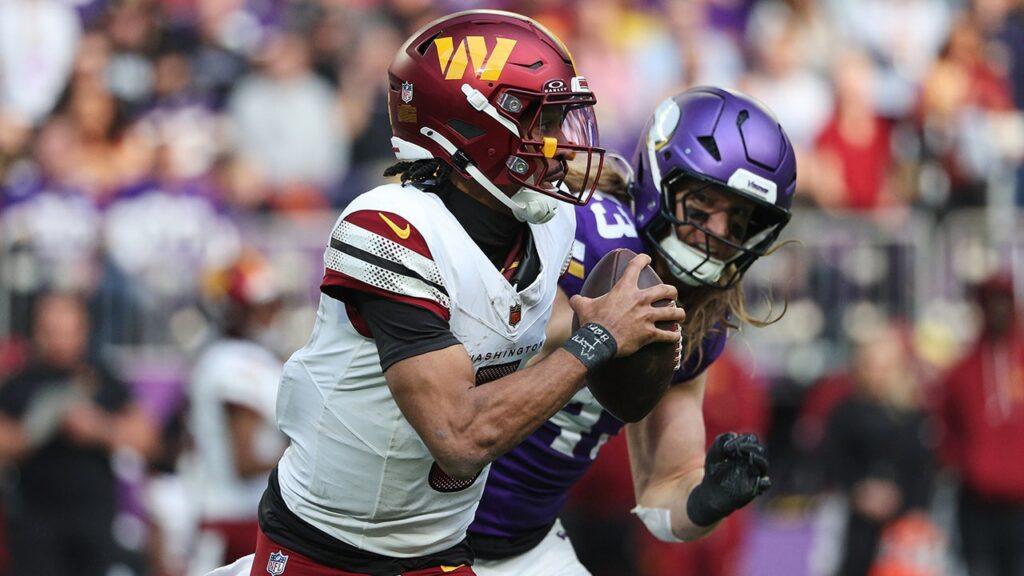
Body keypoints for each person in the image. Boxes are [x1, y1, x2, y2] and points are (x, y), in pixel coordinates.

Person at [210, 10, 684, 576]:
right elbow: (459, 437)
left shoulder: (551, 223)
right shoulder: (389, 229)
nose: (561, 146)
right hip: (328, 548)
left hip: (440, 547)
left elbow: (529, 321)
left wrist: (627, 326)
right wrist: (599, 339)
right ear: (470, 127)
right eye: (542, 123)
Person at [468, 86, 796, 575]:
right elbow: (475, 342)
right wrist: (595, 327)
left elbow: (666, 491)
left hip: (521, 543)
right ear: (662, 181)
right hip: (420, 516)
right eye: (702, 205)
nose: (716, 232)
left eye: (738, 221)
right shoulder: (577, 228)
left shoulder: (699, 319)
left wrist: (708, 498)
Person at [0, 291, 159, 576]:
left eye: (67, 331)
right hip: (37, 526)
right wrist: (39, 427)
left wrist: (98, 428)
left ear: (84, 330)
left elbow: (146, 438)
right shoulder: (20, 384)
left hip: (94, 525)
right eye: (51, 331)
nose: (59, 341)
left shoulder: (101, 379)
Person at [183, 254, 288, 575]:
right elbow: (244, 460)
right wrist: (308, 457)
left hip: (241, 515)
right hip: (235, 518)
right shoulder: (234, 362)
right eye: (264, 308)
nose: (273, 317)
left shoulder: (230, 357)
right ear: (240, 312)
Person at [822, 323, 934, 576]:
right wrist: (858, 490)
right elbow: (831, 461)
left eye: (884, 367)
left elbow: (924, 470)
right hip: (855, 526)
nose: (877, 375)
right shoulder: (844, 413)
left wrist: (901, 498)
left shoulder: (914, 417)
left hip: (902, 533)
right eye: (871, 365)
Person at [938, 273, 1024, 576]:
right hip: (978, 502)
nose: (998, 310)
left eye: (1004, 302)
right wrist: (965, 464)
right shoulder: (962, 370)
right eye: (991, 302)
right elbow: (945, 427)